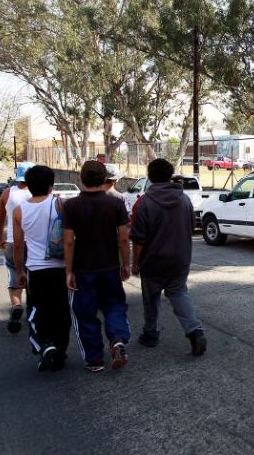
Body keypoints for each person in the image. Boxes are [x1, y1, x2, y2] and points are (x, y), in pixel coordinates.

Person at [130, 158, 207, 356]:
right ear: (170, 175)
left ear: (150, 177)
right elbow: (191, 228)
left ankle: (150, 334)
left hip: (152, 262)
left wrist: (135, 263)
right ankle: (195, 332)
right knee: (179, 294)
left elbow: (138, 239)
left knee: (151, 298)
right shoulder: (184, 200)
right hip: (179, 259)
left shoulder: (144, 202)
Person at [63, 160, 132, 372]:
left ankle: (94, 360)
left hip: (83, 270)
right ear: (104, 179)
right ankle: (118, 339)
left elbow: (68, 241)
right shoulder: (116, 204)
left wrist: (68, 271)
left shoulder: (71, 205)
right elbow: (123, 237)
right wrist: (125, 264)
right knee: (114, 306)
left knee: (85, 314)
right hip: (110, 267)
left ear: (81, 179)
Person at [12, 165, 71, 371]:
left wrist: (19, 272)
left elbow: (19, 245)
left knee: (38, 310)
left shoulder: (20, 210)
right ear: (50, 184)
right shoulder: (60, 204)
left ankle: (45, 344)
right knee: (62, 311)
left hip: (36, 270)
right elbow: (70, 236)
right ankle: (60, 352)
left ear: (28, 186)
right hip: (60, 268)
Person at [0, 162, 35, 333]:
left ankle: (17, 305)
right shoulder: (38, 193)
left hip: (12, 243)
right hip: (34, 244)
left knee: (14, 278)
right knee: (33, 278)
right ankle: (34, 312)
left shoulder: (6, 193)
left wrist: (0, 239)